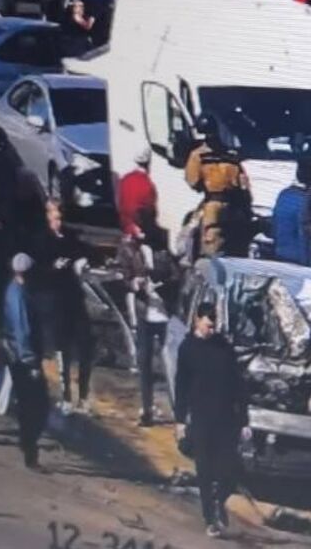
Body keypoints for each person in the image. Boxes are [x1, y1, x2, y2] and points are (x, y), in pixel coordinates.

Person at [174, 301, 247, 540]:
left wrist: (244, 420)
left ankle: (219, 501)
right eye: (208, 325)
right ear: (197, 320)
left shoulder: (224, 347)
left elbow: (238, 384)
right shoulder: (187, 348)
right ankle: (210, 518)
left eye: (214, 326)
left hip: (226, 418)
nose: (211, 330)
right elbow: (181, 385)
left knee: (229, 470)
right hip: (201, 418)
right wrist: (180, 421)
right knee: (204, 470)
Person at [32, 200, 96, 415]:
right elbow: (36, 271)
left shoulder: (70, 237)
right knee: (63, 350)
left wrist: (84, 260)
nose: (58, 223)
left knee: (86, 346)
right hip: (56, 301)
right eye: (54, 218)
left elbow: (85, 250)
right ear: (47, 218)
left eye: (60, 218)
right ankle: (66, 395)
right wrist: (52, 268)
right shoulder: (41, 240)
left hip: (74, 298)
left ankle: (84, 396)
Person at [117, 223, 174, 427]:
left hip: (164, 315)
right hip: (144, 314)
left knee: (170, 365)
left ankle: (177, 410)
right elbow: (125, 276)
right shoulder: (129, 251)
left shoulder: (163, 251)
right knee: (144, 364)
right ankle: (147, 409)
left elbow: (174, 277)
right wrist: (133, 283)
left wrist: (162, 286)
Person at [3, 252, 49, 470]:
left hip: (15, 355)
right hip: (24, 359)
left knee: (27, 404)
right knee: (37, 406)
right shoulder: (20, 297)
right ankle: (30, 450)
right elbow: (23, 332)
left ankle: (26, 443)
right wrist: (32, 364)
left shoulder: (13, 289)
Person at [184, 113, 252, 259]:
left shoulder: (198, 156)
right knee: (232, 244)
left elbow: (193, 181)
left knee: (211, 241)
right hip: (233, 206)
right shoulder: (231, 155)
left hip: (212, 204)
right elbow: (243, 184)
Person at [272, 161, 311, 265]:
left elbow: (275, 222)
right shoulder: (306, 200)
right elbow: (304, 232)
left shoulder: (283, 194)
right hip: (298, 256)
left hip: (280, 251)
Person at [117, 147, 159, 243]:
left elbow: (121, 202)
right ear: (148, 163)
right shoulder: (148, 186)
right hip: (139, 232)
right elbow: (150, 212)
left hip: (125, 228)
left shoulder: (125, 179)